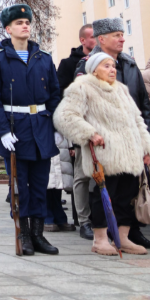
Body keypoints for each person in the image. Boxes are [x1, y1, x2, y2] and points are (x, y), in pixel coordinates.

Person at [0, 4, 61, 256]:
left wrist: (57, 126)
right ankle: (24, 234)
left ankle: (38, 235)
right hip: (15, 131)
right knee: (20, 187)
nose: (25, 25)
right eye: (18, 22)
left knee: (40, 185)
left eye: (27, 21)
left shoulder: (44, 58)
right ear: (8, 29)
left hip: (41, 129)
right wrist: (3, 131)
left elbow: (55, 96)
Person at [54, 52, 150, 255]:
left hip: (130, 154)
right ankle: (100, 239)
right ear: (94, 69)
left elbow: (137, 121)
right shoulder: (82, 87)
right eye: (106, 66)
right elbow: (65, 116)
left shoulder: (121, 90)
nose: (112, 69)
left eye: (113, 66)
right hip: (105, 153)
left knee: (128, 195)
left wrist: (146, 148)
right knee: (104, 195)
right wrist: (89, 133)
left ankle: (122, 239)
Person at [74, 17, 150, 248]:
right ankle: (101, 236)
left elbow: (143, 105)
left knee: (129, 188)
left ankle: (127, 234)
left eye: (122, 34)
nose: (122, 38)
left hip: (131, 139)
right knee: (104, 188)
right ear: (101, 39)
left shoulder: (129, 64)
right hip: (103, 141)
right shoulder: (87, 65)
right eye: (117, 35)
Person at [57, 23, 96, 240]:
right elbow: (65, 99)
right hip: (81, 128)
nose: (96, 40)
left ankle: (102, 217)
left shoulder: (110, 62)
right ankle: (83, 221)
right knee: (81, 174)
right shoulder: (70, 64)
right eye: (92, 37)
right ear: (83, 40)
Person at [45, 133, 75, 232]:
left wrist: (71, 145)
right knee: (48, 181)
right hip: (44, 136)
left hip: (61, 139)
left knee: (58, 182)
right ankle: (47, 217)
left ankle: (59, 216)